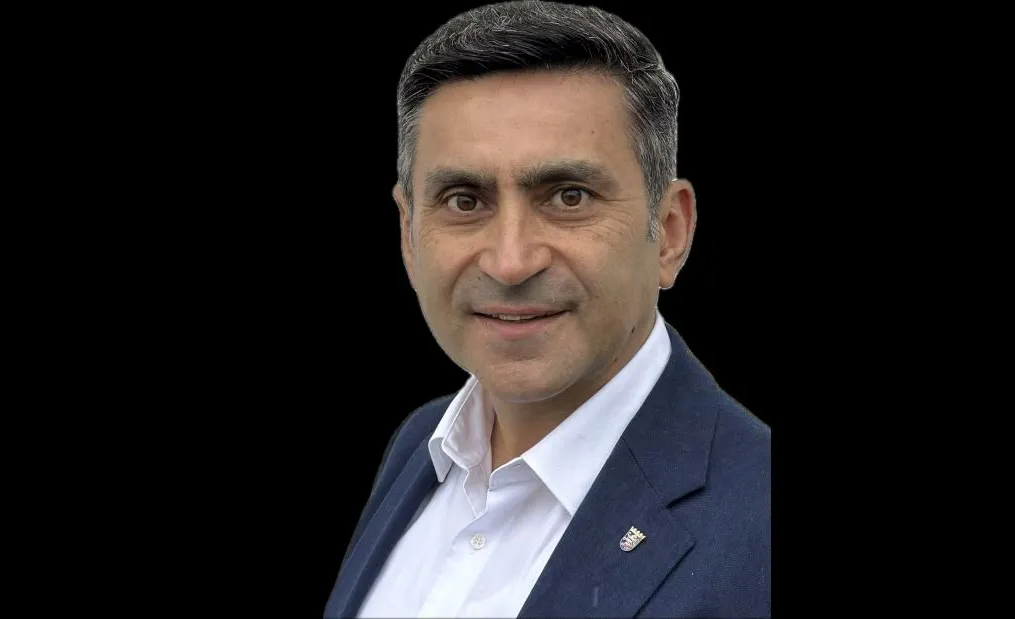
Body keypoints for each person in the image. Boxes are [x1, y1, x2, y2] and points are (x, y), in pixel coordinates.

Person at [325, 1, 770, 617]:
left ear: (670, 232)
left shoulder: (759, 523)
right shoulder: (418, 445)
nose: (511, 262)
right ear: (408, 234)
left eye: (568, 197)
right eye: (463, 201)